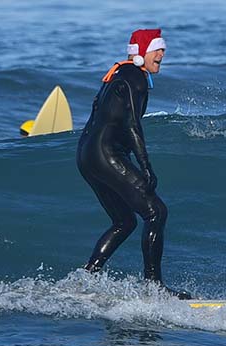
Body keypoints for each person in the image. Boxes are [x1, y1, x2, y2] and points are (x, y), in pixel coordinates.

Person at [76, 29, 190, 300]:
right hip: (107, 154)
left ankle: (86, 278)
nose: (162, 54)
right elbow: (131, 124)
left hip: (86, 154)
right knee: (156, 212)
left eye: (163, 49)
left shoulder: (117, 75)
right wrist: (146, 165)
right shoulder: (136, 78)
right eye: (157, 49)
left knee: (124, 221)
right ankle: (154, 289)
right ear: (141, 53)